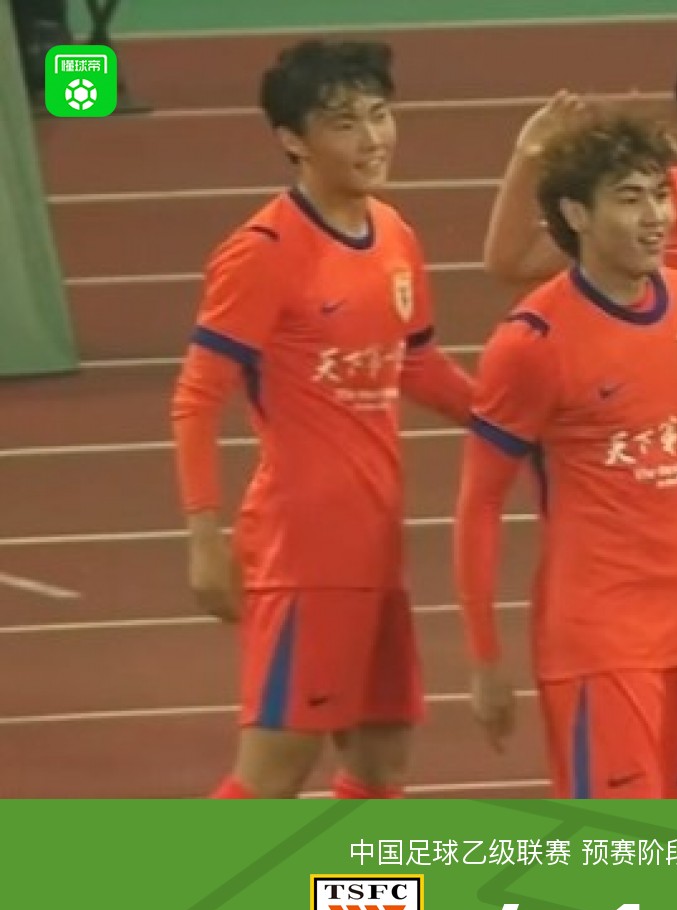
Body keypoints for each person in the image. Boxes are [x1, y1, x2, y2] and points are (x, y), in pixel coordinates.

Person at [454, 112, 677, 799]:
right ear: (576, 214)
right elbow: (478, 504)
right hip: (598, 638)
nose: (656, 217)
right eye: (629, 199)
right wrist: (485, 658)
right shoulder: (532, 343)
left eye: (659, 194)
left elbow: (676, 427)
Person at [171, 40, 472, 799]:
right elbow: (197, 397)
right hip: (305, 551)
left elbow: (415, 365)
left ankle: (347, 891)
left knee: (380, 760)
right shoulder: (263, 252)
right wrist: (204, 540)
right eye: (344, 123)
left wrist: (516, 423)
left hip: (377, 545)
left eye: (380, 115)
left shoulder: (394, 233)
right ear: (292, 139)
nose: (372, 139)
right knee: (274, 770)